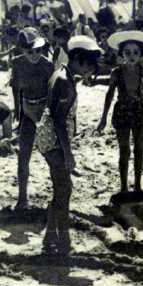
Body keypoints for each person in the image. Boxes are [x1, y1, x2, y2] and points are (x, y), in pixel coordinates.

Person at [37, 35, 102, 255]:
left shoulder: (62, 74)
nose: (89, 72)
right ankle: (63, 240)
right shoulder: (64, 81)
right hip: (54, 140)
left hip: (49, 138)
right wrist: (68, 154)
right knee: (64, 190)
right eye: (88, 66)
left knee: (62, 188)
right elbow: (59, 122)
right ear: (77, 59)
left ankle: (51, 235)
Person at [97, 31, 143, 192]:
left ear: (141, 53)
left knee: (139, 149)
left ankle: (138, 185)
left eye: (135, 52)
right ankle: (124, 186)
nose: (132, 56)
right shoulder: (116, 73)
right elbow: (109, 95)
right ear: (121, 54)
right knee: (124, 150)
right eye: (127, 52)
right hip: (122, 112)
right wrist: (103, 118)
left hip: (140, 111)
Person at [11, 27, 55, 210]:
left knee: (52, 156)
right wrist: (17, 110)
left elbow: (54, 91)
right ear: (22, 50)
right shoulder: (17, 63)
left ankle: (58, 196)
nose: (35, 54)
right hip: (27, 110)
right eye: (30, 51)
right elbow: (15, 88)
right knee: (23, 156)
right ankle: (22, 198)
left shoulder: (47, 65)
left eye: (38, 50)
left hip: (45, 110)